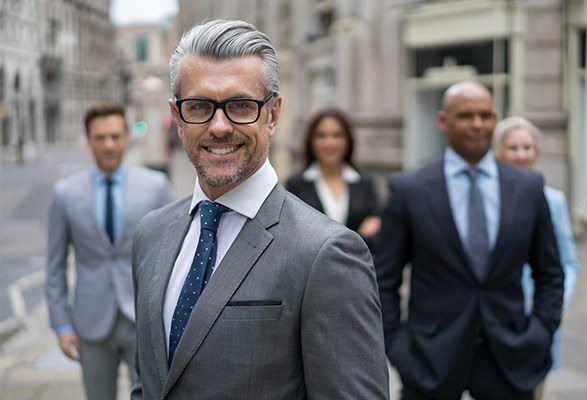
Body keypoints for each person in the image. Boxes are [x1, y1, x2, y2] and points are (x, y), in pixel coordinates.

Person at [131, 19, 389, 400]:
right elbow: (150, 383)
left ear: (273, 114)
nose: (219, 127)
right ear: (177, 117)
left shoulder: (327, 253)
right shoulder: (151, 234)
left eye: (240, 106)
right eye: (200, 106)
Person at [375, 81, 564, 400]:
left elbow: (551, 274)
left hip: (510, 358)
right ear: (443, 122)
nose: (478, 124)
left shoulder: (529, 187)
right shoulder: (409, 189)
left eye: (486, 115)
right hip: (429, 360)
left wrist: (540, 332)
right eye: (466, 116)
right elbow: (384, 279)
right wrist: (397, 345)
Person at [45, 102, 172, 400]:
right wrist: (61, 324)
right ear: (88, 140)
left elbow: (174, 253)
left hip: (142, 318)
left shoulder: (155, 186)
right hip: (90, 321)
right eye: (100, 137)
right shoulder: (65, 193)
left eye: (115, 136)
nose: (109, 145)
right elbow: (55, 266)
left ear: (127, 137)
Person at [494, 116, 580, 399]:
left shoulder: (552, 200)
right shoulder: (484, 197)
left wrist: (552, 308)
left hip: (537, 315)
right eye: (513, 148)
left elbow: (567, 262)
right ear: (498, 151)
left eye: (527, 147)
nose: (521, 155)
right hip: (495, 312)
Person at [286, 108, 380, 246]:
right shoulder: (296, 185)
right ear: (311, 141)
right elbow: (293, 235)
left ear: (348, 140)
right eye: (321, 136)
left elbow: (376, 232)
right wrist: (358, 236)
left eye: (337, 135)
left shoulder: (364, 184)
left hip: (356, 265)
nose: (330, 143)